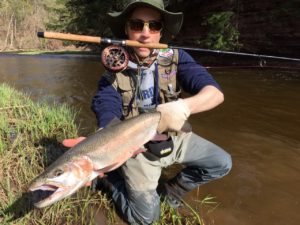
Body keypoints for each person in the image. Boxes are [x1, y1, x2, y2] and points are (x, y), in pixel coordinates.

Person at [63, 0, 232, 224]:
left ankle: (172, 191)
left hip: (173, 137)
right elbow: (107, 115)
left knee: (221, 163)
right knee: (144, 219)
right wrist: (95, 151)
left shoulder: (178, 59)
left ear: (161, 31)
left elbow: (215, 93)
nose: (145, 34)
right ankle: (109, 181)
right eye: (136, 24)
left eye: (153, 26)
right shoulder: (111, 76)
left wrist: (184, 106)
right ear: (126, 29)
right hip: (135, 148)